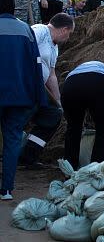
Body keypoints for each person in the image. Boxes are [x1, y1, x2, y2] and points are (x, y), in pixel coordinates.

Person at [0, 0, 46, 200]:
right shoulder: (25, 30)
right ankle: (7, 189)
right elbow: (36, 65)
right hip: (19, 96)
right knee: (12, 139)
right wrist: (39, 97)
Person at [18, 13, 74, 168]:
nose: (68, 38)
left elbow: (51, 75)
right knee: (18, 120)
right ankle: (9, 151)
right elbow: (22, 51)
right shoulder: (40, 30)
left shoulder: (54, 47)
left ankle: (28, 155)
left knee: (53, 114)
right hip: (25, 85)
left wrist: (58, 102)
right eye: (69, 34)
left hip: (38, 90)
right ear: (64, 30)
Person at [61, 61, 104, 169]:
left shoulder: (74, 71)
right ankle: (96, 169)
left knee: (73, 129)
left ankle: (69, 168)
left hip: (70, 85)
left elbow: (71, 98)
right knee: (103, 130)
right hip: (98, 83)